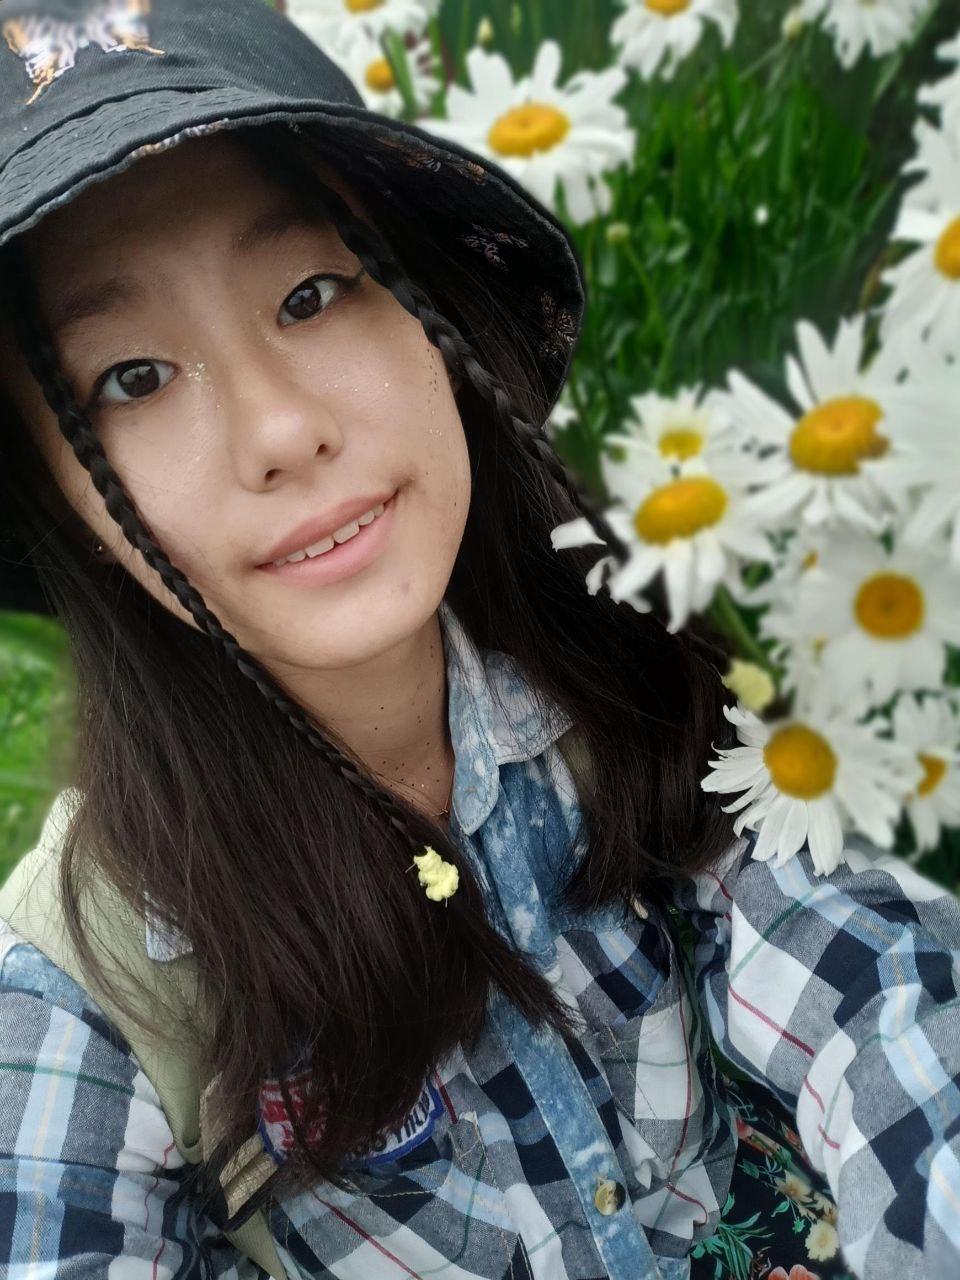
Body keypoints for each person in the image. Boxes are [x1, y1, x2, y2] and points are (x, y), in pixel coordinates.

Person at [0, 3, 957, 1278]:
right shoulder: (93, 989)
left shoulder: (616, 667)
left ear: (433, 315)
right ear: (55, 493)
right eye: (132, 378)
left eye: (311, 293)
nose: (281, 429)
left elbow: (878, 992)